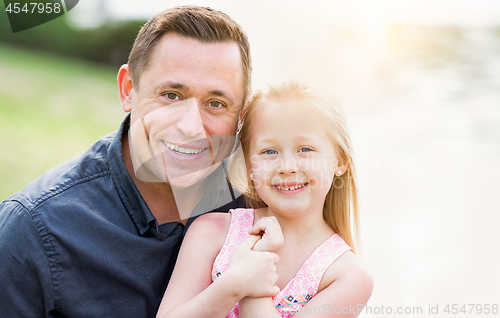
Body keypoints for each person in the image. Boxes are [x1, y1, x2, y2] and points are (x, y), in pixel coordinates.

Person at [0, 6, 278, 317]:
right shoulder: (33, 231)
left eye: (216, 103)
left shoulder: (263, 206)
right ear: (128, 89)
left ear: (241, 116)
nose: (191, 127)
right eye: (171, 95)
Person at [157, 79, 374, 318]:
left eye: (305, 149)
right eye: (269, 151)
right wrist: (234, 284)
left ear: (340, 161)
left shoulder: (347, 276)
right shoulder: (211, 232)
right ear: (249, 165)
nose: (287, 167)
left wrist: (254, 284)